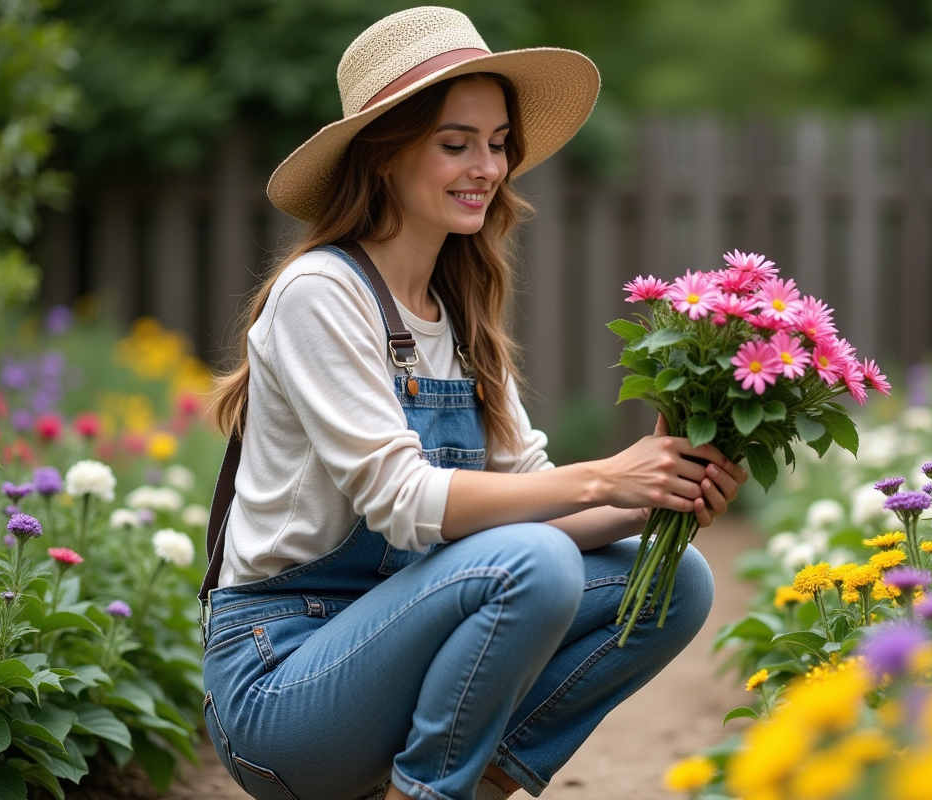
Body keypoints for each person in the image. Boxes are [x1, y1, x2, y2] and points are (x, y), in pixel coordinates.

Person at [199, 8, 747, 800]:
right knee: (536, 563)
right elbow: (401, 502)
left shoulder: (457, 317)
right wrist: (603, 479)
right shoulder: (320, 293)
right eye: (456, 143)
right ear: (384, 156)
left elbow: (538, 505)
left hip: (398, 645)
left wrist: (656, 497)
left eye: (497, 144)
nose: (486, 167)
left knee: (676, 580)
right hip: (283, 686)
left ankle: (472, 784)